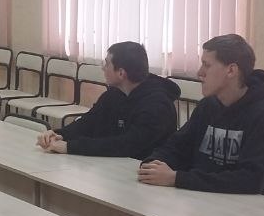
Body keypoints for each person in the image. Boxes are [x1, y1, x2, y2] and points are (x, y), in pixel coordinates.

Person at [138, 34, 264, 194]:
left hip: (248, 204)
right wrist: (152, 164)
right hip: (204, 196)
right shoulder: (208, 105)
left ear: (231, 70)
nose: (200, 72)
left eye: (207, 65)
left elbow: (251, 179)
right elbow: (176, 146)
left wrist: (178, 178)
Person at [36, 41, 180, 159]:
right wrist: (59, 134)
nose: (103, 68)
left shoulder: (157, 105)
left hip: (142, 170)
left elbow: (127, 145)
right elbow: (89, 121)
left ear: (121, 73)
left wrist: (70, 147)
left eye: (106, 64)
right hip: (114, 164)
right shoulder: (115, 93)